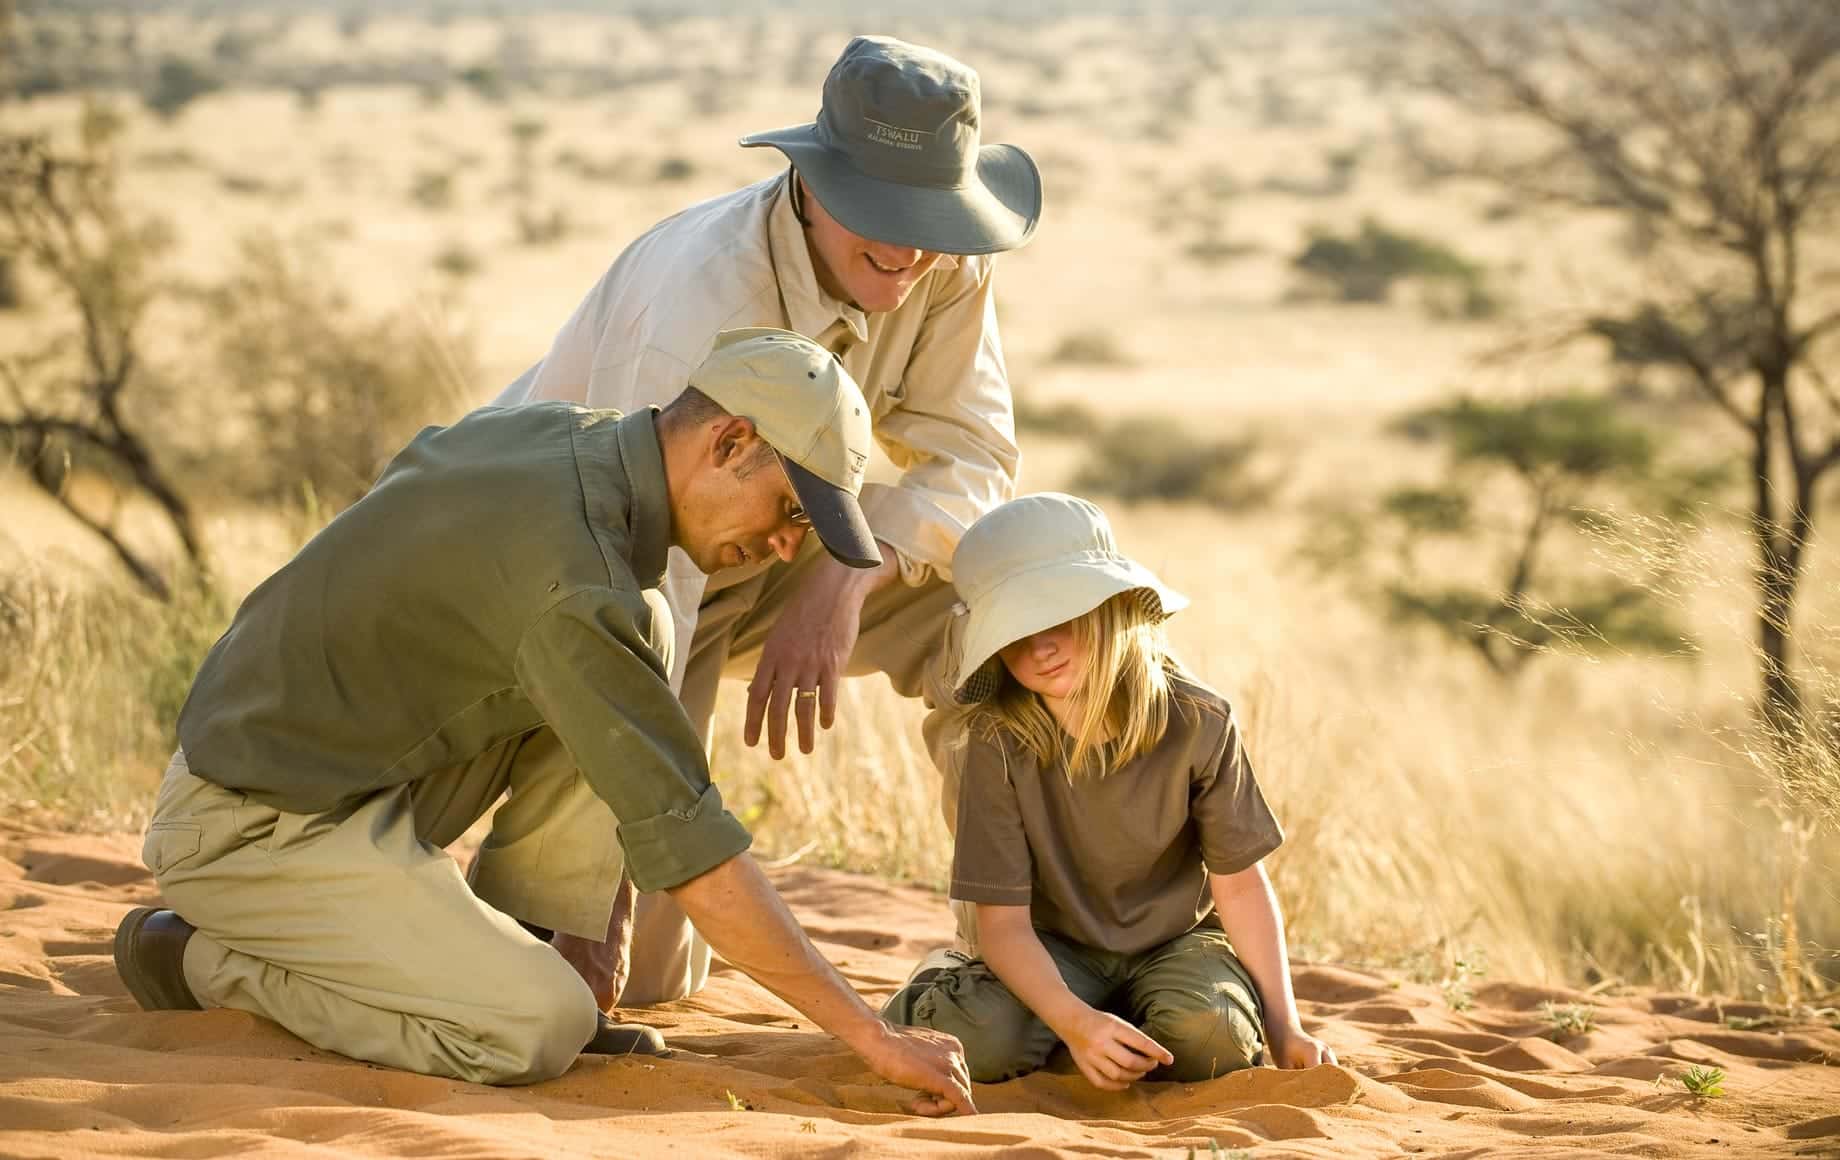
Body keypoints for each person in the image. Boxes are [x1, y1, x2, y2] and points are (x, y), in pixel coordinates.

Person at [111, 329, 976, 1114]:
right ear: (730, 441)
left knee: (646, 629)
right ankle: (194, 958)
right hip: (246, 822)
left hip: (342, 773)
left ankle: (507, 949)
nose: (791, 546)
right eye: (793, 509)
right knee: (532, 1030)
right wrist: (872, 1034)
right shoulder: (578, 576)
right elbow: (695, 856)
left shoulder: (565, 439)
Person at [493, 34, 1041, 1007]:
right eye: (880, 211)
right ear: (811, 180)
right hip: (597, 558)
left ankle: (1042, 949)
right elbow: (629, 567)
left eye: (927, 215)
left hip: (789, 540)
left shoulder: (944, 262)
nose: (906, 250)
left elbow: (976, 456)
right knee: (624, 984)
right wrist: (613, 868)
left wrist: (846, 575)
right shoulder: (703, 296)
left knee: (1018, 609)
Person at [882, 493, 1336, 1088]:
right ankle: (959, 988)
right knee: (982, 1046)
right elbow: (1004, 925)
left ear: (1111, 606)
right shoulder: (993, 741)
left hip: (1176, 941)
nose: (1039, 648)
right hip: (1049, 945)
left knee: (1213, 1042)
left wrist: (1286, 1029)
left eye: (1056, 617)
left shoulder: (1200, 721)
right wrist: (1073, 1021)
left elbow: (1241, 885)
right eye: (1013, 631)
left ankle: (1119, 1019)